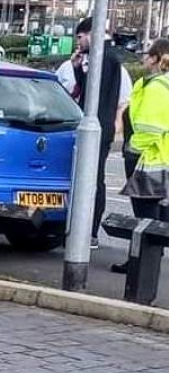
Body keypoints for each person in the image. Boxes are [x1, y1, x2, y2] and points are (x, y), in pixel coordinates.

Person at [71, 16, 132, 248]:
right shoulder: (109, 57)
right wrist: (79, 70)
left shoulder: (103, 58)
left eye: (80, 37)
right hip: (102, 126)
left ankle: (91, 232)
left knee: (92, 181)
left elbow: (92, 95)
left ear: (91, 34)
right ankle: (87, 231)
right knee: (93, 179)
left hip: (98, 126)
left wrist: (80, 71)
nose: (78, 43)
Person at [112, 39, 169, 273]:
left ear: (155, 58)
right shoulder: (152, 83)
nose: (143, 57)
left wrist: (133, 147)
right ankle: (147, 261)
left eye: (147, 54)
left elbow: (148, 126)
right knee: (158, 214)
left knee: (145, 215)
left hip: (148, 158)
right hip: (159, 157)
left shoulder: (156, 87)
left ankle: (141, 265)